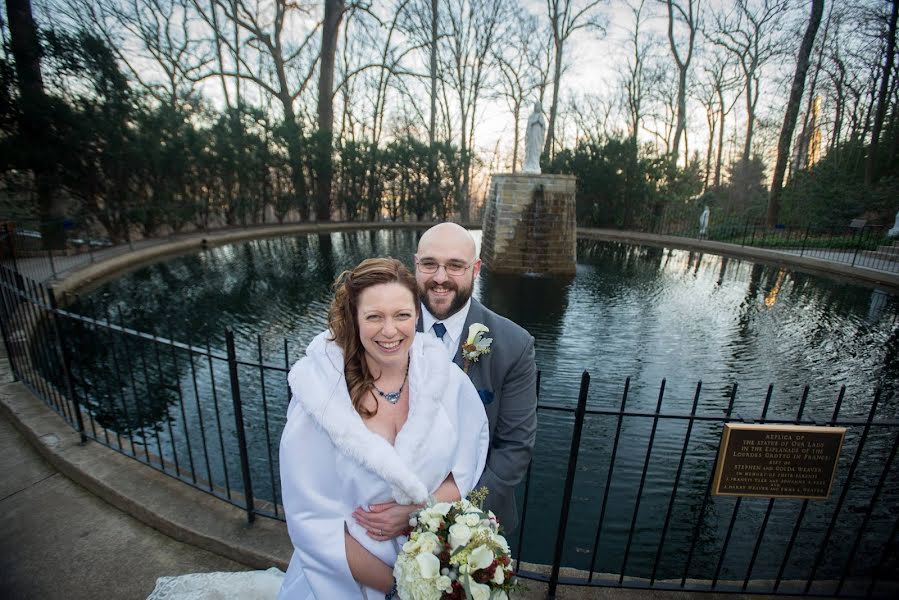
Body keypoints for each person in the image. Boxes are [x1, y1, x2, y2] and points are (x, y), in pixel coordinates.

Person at [278, 257, 489, 599]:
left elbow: (465, 468)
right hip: (347, 580)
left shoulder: (448, 382)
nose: (390, 331)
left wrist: (422, 509)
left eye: (402, 315)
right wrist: (397, 586)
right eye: (374, 316)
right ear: (354, 319)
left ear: (417, 315)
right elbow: (311, 520)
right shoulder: (319, 400)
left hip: (429, 569)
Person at [360, 223, 537, 536]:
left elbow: (514, 449)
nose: (440, 278)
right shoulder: (382, 331)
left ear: (476, 269)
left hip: (473, 525)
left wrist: (449, 513)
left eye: (455, 265)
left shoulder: (514, 345)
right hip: (382, 520)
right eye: (429, 264)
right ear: (416, 264)